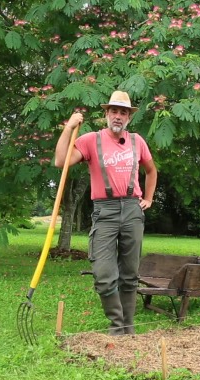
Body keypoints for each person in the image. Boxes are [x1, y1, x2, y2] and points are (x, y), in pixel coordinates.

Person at [54, 91, 158, 335]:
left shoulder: (137, 141)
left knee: (130, 274)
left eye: (123, 112)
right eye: (114, 111)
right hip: (105, 211)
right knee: (103, 274)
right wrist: (68, 128)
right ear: (106, 114)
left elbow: (151, 171)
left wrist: (149, 199)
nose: (118, 116)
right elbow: (60, 161)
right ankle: (117, 324)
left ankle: (126, 329)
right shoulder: (91, 140)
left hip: (132, 209)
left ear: (129, 117)